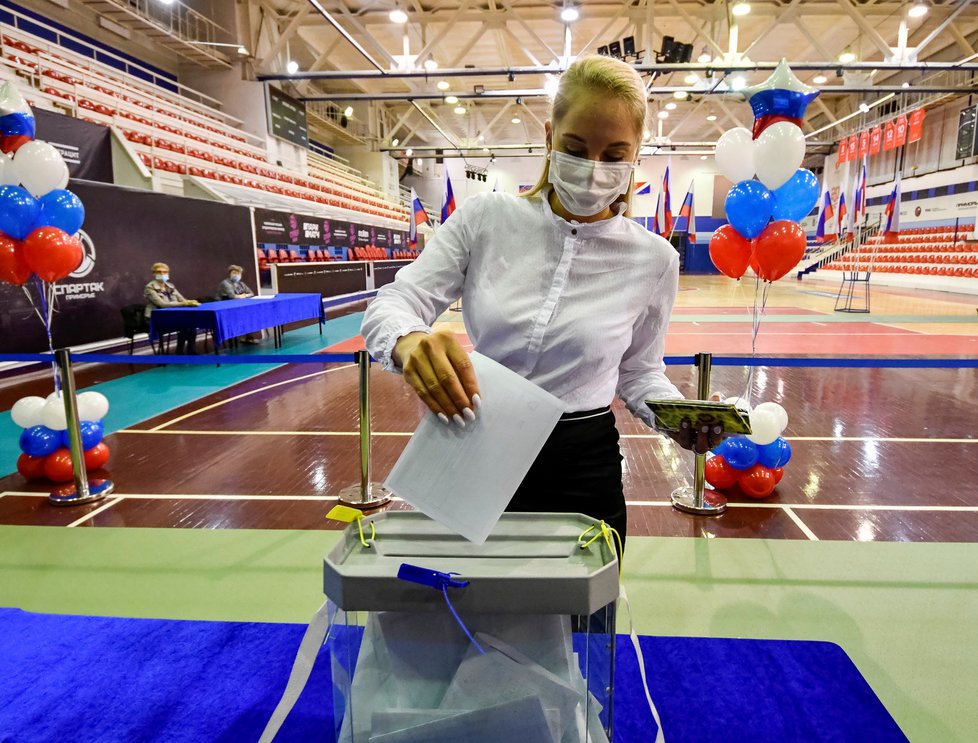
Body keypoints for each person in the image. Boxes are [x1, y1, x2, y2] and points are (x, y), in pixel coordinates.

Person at [361, 55, 723, 549]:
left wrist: (679, 417)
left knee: (584, 618)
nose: (595, 169)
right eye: (576, 147)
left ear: (637, 156)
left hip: (581, 461)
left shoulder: (655, 259)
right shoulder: (485, 218)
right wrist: (409, 340)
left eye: (615, 156)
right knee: (457, 603)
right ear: (550, 138)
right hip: (473, 439)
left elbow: (639, 371)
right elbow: (396, 300)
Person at [144, 262, 199, 354]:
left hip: (171, 315)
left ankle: (191, 351)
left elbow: (182, 299)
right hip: (156, 318)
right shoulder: (149, 288)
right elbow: (162, 304)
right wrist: (184, 303)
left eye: (165, 272)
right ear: (154, 273)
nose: (162, 274)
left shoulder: (171, 286)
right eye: (159, 272)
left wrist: (190, 302)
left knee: (191, 324)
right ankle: (179, 352)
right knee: (184, 325)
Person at [215, 265, 261, 344]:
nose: (236, 275)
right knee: (244, 315)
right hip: (224, 308)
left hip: (236, 306)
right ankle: (241, 338)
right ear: (230, 273)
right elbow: (232, 296)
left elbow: (251, 293)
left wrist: (244, 295)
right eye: (234, 272)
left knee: (249, 314)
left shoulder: (241, 284)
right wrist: (242, 296)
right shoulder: (225, 283)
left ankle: (247, 337)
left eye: (238, 273)